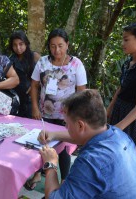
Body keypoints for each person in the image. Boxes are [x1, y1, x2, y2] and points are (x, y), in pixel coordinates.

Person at [38, 89, 136, 199]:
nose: (66, 128)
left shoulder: (91, 161)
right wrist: (54, 135)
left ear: (80, 125)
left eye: (66, 123)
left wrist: (51, 164)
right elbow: (83, 136)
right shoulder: (119, 135)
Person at [26, 28, 87, 190]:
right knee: (43, 143)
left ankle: (64, 180)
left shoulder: (76, 64)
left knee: (64, 148)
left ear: (67, 44)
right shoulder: (43, 62)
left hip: (67, 116)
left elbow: (82, 92)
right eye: (53, 46)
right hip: (44, 112)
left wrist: (77, 116)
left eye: (60, 45)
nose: (57, 50)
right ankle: (38, 173)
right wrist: (34, 107)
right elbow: (34, 85)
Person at [107, 22, 136, 152]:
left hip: (133, 119)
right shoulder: (127, 63)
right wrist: (109, 110)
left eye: (126, 39)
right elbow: (121, 88)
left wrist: (119, 127)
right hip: (119, 111)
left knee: (127, 155)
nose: (122, 43)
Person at [9, 30, 41, 118]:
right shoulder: (11, 60)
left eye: (21, 44)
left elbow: (46, 75)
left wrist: (34, 86)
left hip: (34, 98)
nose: (18, 47)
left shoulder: (34, 56)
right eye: (15, 45)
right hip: (18, 99)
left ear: (26, 43)